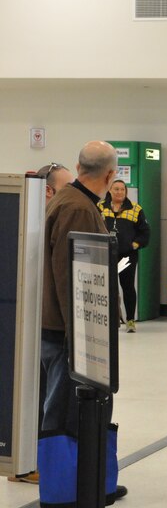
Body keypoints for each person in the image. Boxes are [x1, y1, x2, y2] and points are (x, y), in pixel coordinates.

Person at [39, 141, 126, 508]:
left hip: (67, 329)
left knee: (86, 410)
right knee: (66, 412)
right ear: (110, 176)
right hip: (67, 332)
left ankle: (93, 482)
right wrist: (80, 338)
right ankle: (66, 495)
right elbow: (68, 276)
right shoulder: (77, 208)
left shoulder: (72, 201)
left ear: (78, 166)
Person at [7, 163, 75, 487]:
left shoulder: (43, 221)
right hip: (40, 326)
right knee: (49, 400)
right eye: (66, 186)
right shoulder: (31, 224)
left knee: (43, 397)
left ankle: (31, 460)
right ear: (47, 190)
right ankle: (37, 464)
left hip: (41, 324)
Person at [98, 180, 151, 333]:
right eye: (116, 189)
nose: (119, 192)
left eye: (122, 189)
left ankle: (130, 320)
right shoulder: (100, 207)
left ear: (126, 192)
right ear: (110, 190)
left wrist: (135, 244)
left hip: (127, 256)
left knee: (127, 287)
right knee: (107, 287)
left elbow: (145, 232)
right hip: (105, 254)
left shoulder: (135, 209)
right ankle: (110, 319)